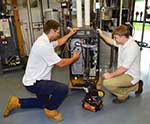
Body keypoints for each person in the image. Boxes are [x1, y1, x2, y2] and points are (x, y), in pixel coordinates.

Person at [3, 20, 80, 121]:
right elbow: (61, 64)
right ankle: (50, 110)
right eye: (57, 32)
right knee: (63, 89)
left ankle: (16, 102)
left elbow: (59, 42)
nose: (58, 34)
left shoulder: (44, 40)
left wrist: (70, 34)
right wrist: (74, 58)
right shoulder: (43, 46)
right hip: (35, 82)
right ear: (52, 31)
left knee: (43, 102)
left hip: (35, 79)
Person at [97, 24, 143, 104]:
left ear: (123, 37)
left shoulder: (132, 48)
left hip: (130, 75)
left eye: (116, 38)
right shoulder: (124, 42)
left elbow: (123, 69)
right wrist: (101, 34)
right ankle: (136, 87)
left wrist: (110, 75)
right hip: (124, 72)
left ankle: (123, 95)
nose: (115, 39)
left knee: (107, 83)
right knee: (110, 82)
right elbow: (111, 41)